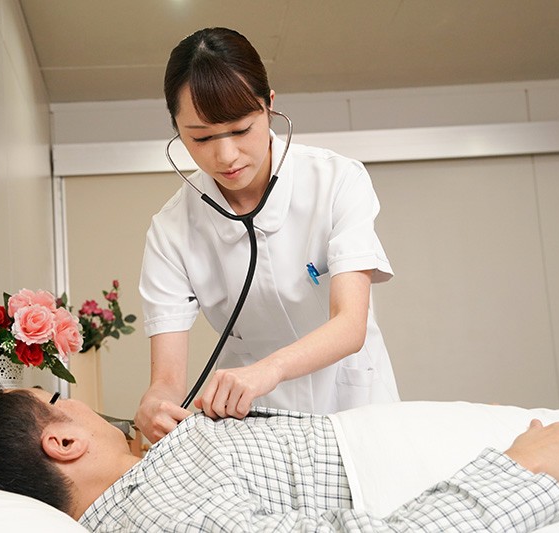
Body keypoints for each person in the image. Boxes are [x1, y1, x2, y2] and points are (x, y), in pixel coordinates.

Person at [137, 27, 398, 443]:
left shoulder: (336, 180)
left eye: (241, 129)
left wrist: (269, 370)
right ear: (176, 128)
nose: (226, 156)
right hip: (254, 422)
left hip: (352, 402)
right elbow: (167, 382)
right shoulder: (171, 230)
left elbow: (351, 325)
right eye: (201, 137)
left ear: (270, 105)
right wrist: (155, 405)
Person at [0, 381, 559, 532]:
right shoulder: (166, 516)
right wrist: (526, 469)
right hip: (513, 476)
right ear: (61, 442)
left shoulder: (152, 481)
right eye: (59, 397)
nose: (80, 401)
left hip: (474, 452)